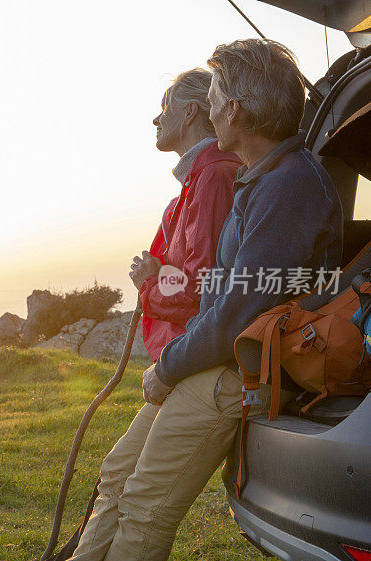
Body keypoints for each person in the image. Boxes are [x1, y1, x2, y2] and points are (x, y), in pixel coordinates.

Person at [68, 39, 342, 561]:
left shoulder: (289, 187)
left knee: (146, 503)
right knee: (118, 474)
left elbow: (239, 307)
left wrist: (168, 365)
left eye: (215, 93)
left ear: (233, 108)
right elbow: (222, 293)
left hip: (237, 370)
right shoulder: (261, 180)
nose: (211, 106)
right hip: (220, 357)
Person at [129, 69, 241, 362]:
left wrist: (148, 283)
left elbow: (200, 293)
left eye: (166, 107)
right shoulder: (196, 184)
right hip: (185, 350)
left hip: (197, 354)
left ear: (190, 111)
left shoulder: (213, 178)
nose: (157, 119)